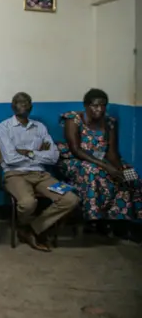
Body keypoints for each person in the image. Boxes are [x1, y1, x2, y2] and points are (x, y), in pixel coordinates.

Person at [0, 92, 79, 252]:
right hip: (15, 174)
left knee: (70, 199)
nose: (23, 105)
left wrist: (28, 153)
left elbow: (54, 156)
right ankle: (28, 228)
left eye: (27, 102)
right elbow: (9, 158)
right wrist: (39, 153)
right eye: (19, 102)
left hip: (41, 175)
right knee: (28, 203)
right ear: (12, 107)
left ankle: (32, 229)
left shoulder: (40, 127)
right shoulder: (4, 127)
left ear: (31, 106)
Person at [57, 88, 142, 236]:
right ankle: (95, 217)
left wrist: (118, 168)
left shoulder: (110, 123)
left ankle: (121, 220)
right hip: (75, 161)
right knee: (93, 170)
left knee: (130, 175)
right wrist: (106, 167)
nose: (99, 109)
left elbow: (112, 152)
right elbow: (76, 150)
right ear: (86, 105)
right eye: (95, 105)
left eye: (103, 105)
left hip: (102, 161)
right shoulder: (74, 119)